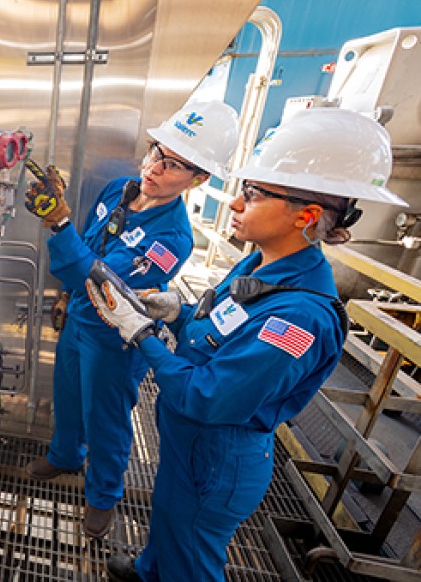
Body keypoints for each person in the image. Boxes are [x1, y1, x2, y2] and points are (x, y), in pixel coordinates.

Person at [86, 108, 407, 580]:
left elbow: (207, 396)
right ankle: (149, 568)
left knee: (191, 557)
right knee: (169, 525)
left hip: (214, 457)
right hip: (187, 444)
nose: (234, 205)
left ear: (308, 215)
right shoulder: (261, 264)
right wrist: (177, 312)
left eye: (254, 195)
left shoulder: (299, 319)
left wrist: (141, 332)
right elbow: (222, 321)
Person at [23, 101, 240, 537]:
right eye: (156, 152)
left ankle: (103, 496)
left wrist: (58, 224)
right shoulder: (120, 189)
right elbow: (89, 243)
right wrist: (66, 295)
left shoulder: (172, 238)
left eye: (173, 164)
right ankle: (66, 455)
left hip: (113, 336)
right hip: (79, 319)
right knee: (66, 395)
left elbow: (107, 281)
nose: (155, 167)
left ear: (199, 180)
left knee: (107, 417)